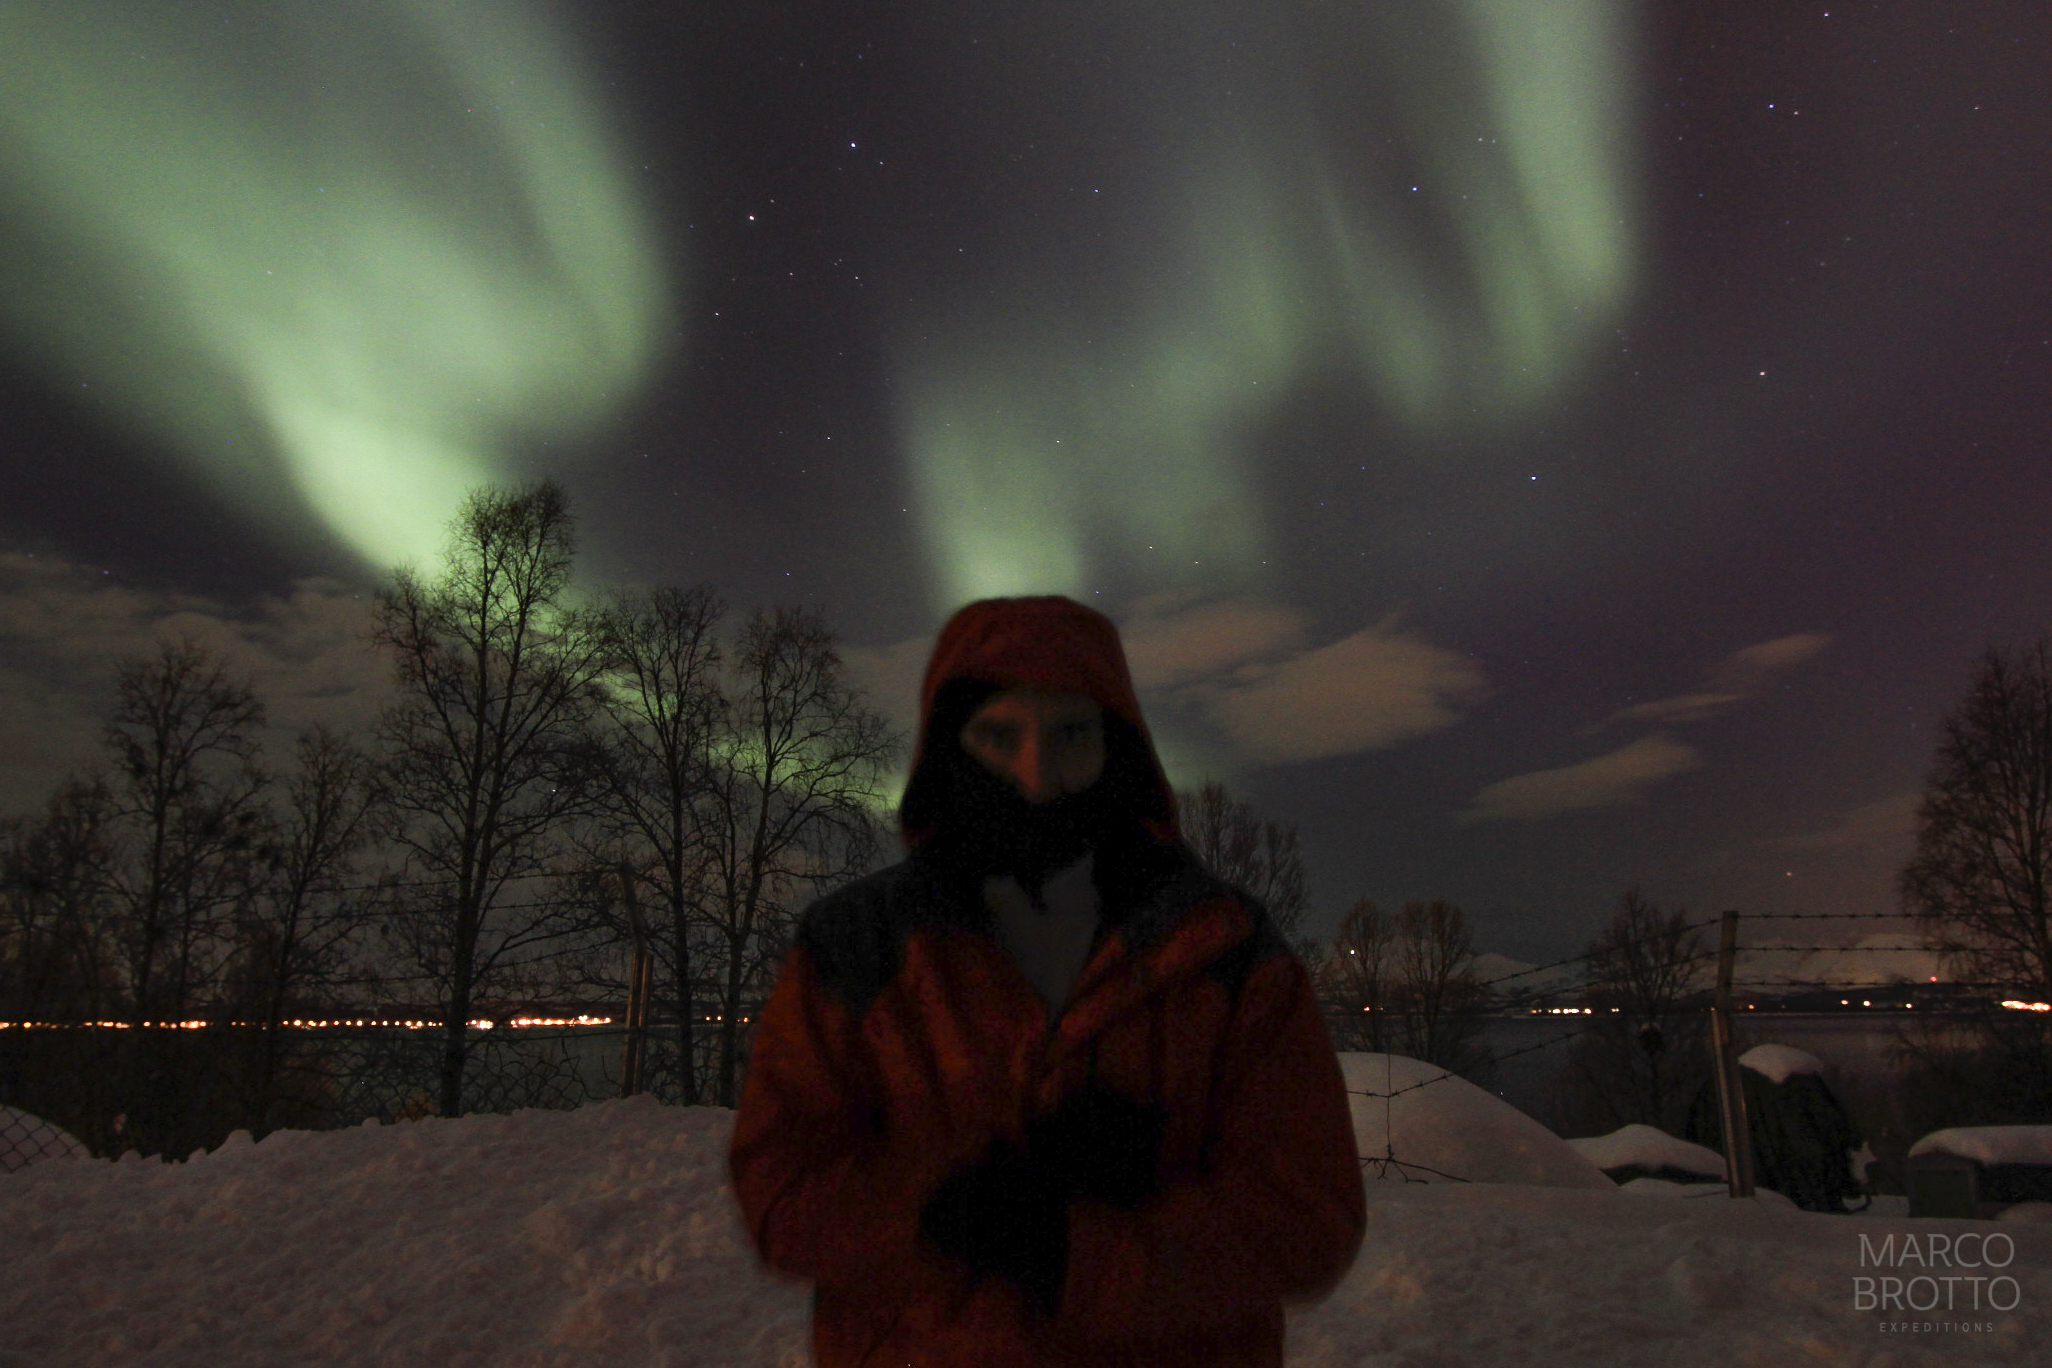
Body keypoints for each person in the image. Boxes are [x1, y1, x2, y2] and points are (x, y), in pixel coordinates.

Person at [729, 594, 1365, 1367]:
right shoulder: (856, 946)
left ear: (1116, 746)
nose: (1038, 774)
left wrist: (1097, 1246)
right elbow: (779, 1187)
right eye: (1000, 736)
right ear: (950, 748)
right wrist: (946, 1209)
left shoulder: (1223, 950)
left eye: (1070, 733)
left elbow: (1310, 1217)